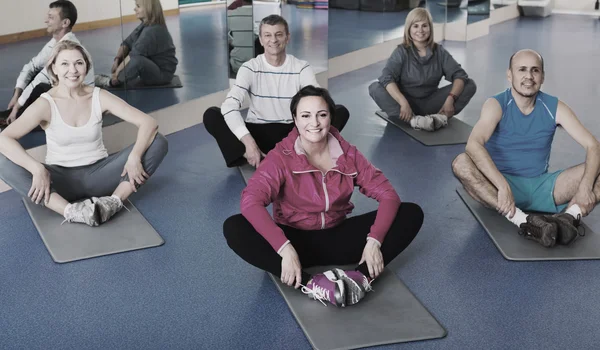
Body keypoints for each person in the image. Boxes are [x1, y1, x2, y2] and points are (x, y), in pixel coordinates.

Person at [223, 86, 423, 307]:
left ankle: (360, 278)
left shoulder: (348, 154)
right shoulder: (280, 157)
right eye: (306, 115)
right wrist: (284, 248)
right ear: (295, 120)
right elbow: (251, 202)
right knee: (234, 227)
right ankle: (312, 285)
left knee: (410, 213)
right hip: (295, 241)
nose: (315, 123)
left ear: (330, 118)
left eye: (322, 114)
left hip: (339, 237)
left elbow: (388, 195)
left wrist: (374, 241)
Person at [0, 40, 168, 227]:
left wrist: (135, 156)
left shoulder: (98, 96)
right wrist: (36, 168)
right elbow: (4, 138)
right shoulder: (45, 103)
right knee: (2, 161)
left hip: (101, 175)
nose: (72, 70)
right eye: (64, 64)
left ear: (86, 67)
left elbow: (148, 122)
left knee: (159, 142)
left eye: (78, 63)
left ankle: (113, 202)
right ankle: (71, 211)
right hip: (60, 181)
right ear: (54, 68)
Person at [452, 49, 600, 248]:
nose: (529, 77)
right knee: (461, 163)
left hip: (543, 187)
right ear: (509, 74)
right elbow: (474, 144)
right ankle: (525, 222)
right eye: (522, 70)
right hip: (499, 187)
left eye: (535, 70)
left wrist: (585, 188)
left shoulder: (554, 107)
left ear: (543, 76)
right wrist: (503, 186)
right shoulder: (496, 104)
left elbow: (593, 145)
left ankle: (567, 218)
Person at [203, 14, 350, 168]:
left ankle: (294, 154)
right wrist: (248, 142)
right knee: (212, 115)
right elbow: (229, 106)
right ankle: (250, 153)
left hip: (292, 134)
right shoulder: (250, 68)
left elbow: (319, 102)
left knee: (339, 111)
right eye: (267, 35)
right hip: (257, 131)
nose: (273, 40)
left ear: (287, 37)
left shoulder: (301, 67)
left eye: (279, 34)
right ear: (260, 39)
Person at [368, 7, 476, 132]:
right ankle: (415, 121)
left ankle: (440, 118)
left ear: (430, 28)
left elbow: (460, 75)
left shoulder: (439, 51)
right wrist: (403, 102)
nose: (420, 30)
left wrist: (450, 98)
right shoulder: (401, 52)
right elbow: (387, 77)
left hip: (431, 103)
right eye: (415, 26)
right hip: (405, 106)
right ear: (409, 29)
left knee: (469, 84)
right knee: (375, 87)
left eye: (424, 25)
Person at [0, 0, 95, 127]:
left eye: (51, 17)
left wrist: (17, 107)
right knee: (33, 75)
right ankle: (14, 114)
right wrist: (16, 95)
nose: (46, 20)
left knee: (40, 86)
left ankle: (17, 117)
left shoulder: (68, 47)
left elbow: (42, 78)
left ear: (65, 23)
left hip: (78, 101)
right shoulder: (55, 42)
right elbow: (31, 66)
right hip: (66, 90)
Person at [95, 0, 178, 88]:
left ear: (148, 8)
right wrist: (117, 59)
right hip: (154, 66)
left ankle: (111, 82)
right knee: (129, 52)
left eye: (138, 6)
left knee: (137, 60)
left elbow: (134, 55)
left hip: (163, 75)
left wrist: (117, 72)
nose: (135, 9)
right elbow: (127, 43)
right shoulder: (145, 25)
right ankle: (119, 76)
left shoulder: (153, 31)